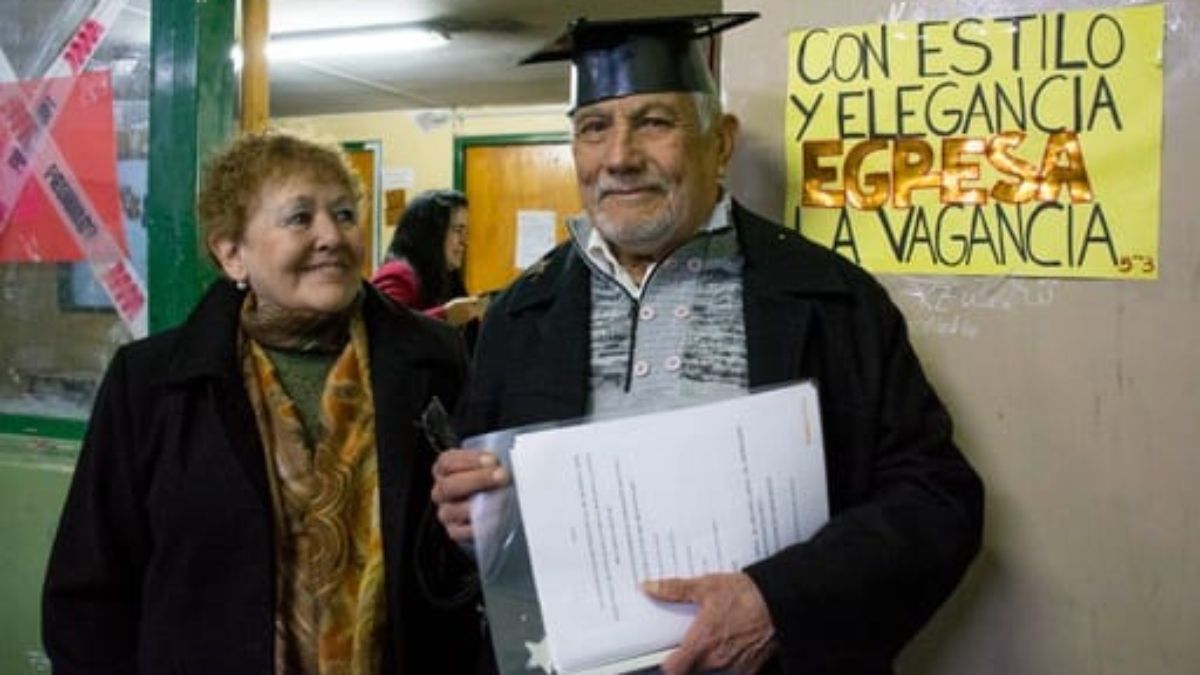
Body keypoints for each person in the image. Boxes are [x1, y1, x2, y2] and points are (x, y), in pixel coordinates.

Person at [431, 13, 984, 675]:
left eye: (655, 121)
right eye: (593, 128)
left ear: (720, 144)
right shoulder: (520, 313)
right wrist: (471, 517)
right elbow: (487, 531)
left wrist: (778, 602)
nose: (619, 156)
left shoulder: (830, 300)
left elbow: (936, 500)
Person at [42, 131, 481, 674]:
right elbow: (90, 590)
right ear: (232, 254)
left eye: (344, 214)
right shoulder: (151, 384)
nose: (331, 236)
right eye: (300, 218)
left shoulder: (434, 361)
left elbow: (465, 560)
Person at [371, 189, 487, 328]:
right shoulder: (397, 275)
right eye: (457, 230)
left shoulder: (442, 275)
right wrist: (445, 315)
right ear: (431, 233)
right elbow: (387, 333)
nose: (464, 241)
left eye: (465, 232)